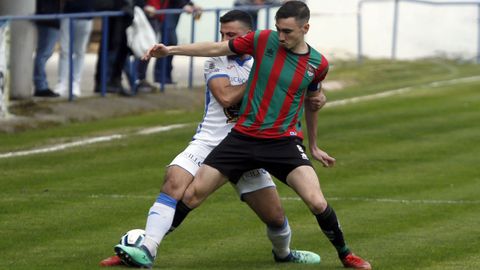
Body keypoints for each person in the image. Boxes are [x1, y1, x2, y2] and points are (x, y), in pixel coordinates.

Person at [116, 1, 372, 269]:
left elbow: (313, 98)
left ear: (305, 28)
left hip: (283, 143)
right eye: (278, 30)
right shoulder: (263, 41)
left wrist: (315, 144)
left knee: (314, 202)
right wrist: (170, 50)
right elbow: (216, 50)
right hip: (242, 139)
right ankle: (145, 249)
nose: (280, 37)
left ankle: (345, 254)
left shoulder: (318, 64)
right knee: (191, 195)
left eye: (287, 32)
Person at [143, 0, 202, 85]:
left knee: (169, 43)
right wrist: (184, 5)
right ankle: (160, 76)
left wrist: (191, 4)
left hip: (169, 12)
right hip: (165, 11)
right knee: (168, 42)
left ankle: (165, 76)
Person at [54, 0, 94, 97]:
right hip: (69, 14)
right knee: (65, 50)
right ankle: (62, 83)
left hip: (86, 15)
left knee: (79, 51)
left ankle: (75, 83)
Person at [33, 0, 62, 98]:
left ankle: (41, 84)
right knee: (43, 54)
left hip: (50, 18)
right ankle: (40, 86)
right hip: (48, 19)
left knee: (44, 53)